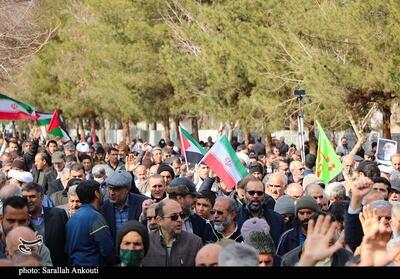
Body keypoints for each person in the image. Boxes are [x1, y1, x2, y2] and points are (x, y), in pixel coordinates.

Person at [65, 180, 115, 266]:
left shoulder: (72, 219)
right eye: (101, 190)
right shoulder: (95, 217)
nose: (103, 193)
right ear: (96, 193)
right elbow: (107, 249)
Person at [141, 199, 203, 266]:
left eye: (181, 215)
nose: (180, 220)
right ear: (159, 220)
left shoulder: (194, 242)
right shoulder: (146, 241)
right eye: (174, 217)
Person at [21, 182, 68, 266]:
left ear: (42, 197)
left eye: (32, 197)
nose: (28, 200)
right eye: (25, 197)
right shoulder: (19, 221)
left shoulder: (58, 214)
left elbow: (68, 242)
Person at [101, 170, 149, 241]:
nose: (111, 193)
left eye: (116, 189)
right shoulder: (103, 207)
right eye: (110, 188)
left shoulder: (142, 203)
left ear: (128, 188)